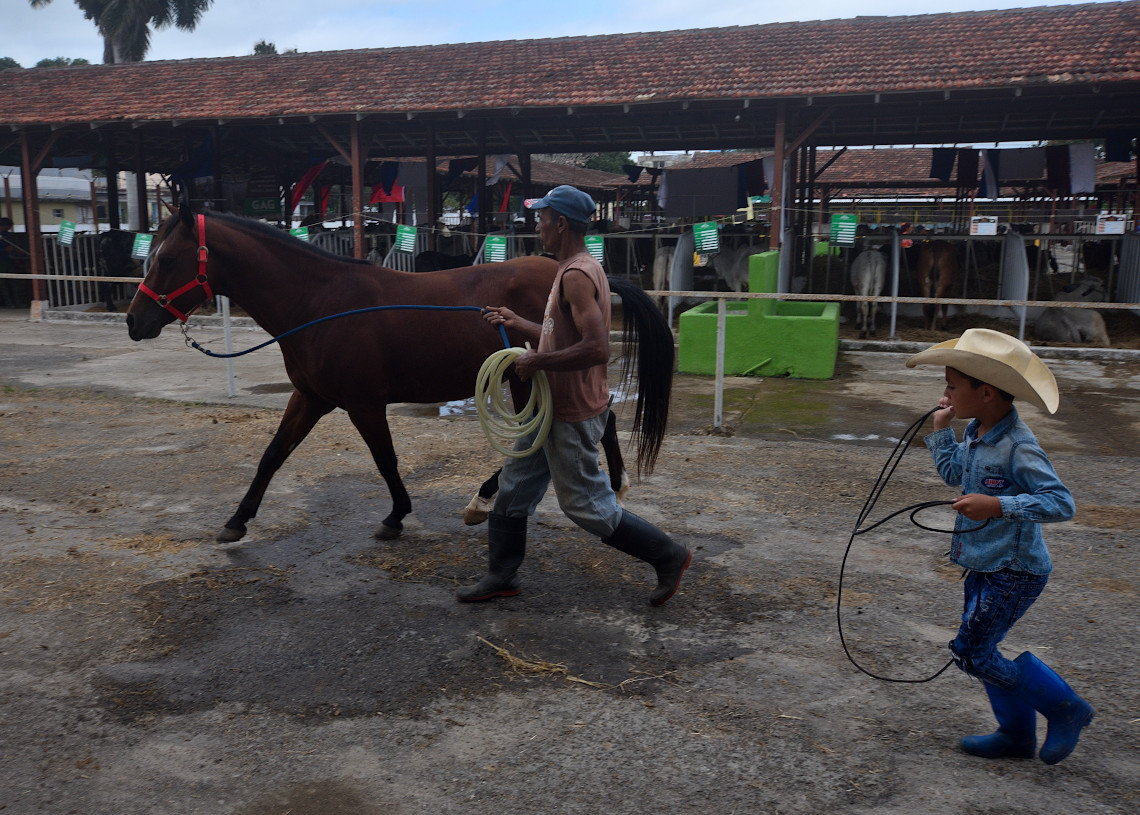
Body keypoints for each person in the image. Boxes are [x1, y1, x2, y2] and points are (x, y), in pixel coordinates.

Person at [457, 185, 691, 606]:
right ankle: (501, 575)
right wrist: (519, 323)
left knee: (587, 507)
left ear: (560, 223)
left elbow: (596, 348)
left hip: (569, 412)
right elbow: (557, 334)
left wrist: (536, 364)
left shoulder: (577, 275)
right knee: (512, 489)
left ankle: (670, 555)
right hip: (550, 409)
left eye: (542, 218)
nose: (538, 225)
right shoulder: (575, 268)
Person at [906, 328, 1093, 765]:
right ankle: (1016, 736)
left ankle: (1066, 709)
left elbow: (1060, 502)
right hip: (983, 562)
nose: (945, 392)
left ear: (985, 391)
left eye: (952, 385)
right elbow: (956, 476)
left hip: (1015, 569)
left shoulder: (1019, 446)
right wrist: (942, 432)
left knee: (971, 653)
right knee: (981, 652)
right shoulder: (975, 429)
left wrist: (998, 505)